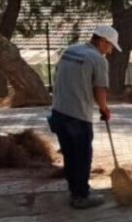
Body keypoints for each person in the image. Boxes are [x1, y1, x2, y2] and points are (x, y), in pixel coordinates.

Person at [48, 25, 118, 210]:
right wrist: (104, 109)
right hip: (78, 116)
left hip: (58, 112)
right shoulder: (98, 59)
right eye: (110, 46)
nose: (110, 51)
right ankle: (82, 196)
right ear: (102, 41)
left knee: (70, 155)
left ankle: (74, 190)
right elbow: (100, 89)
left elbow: (58, 76)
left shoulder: (70, 51)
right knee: (82, 157)